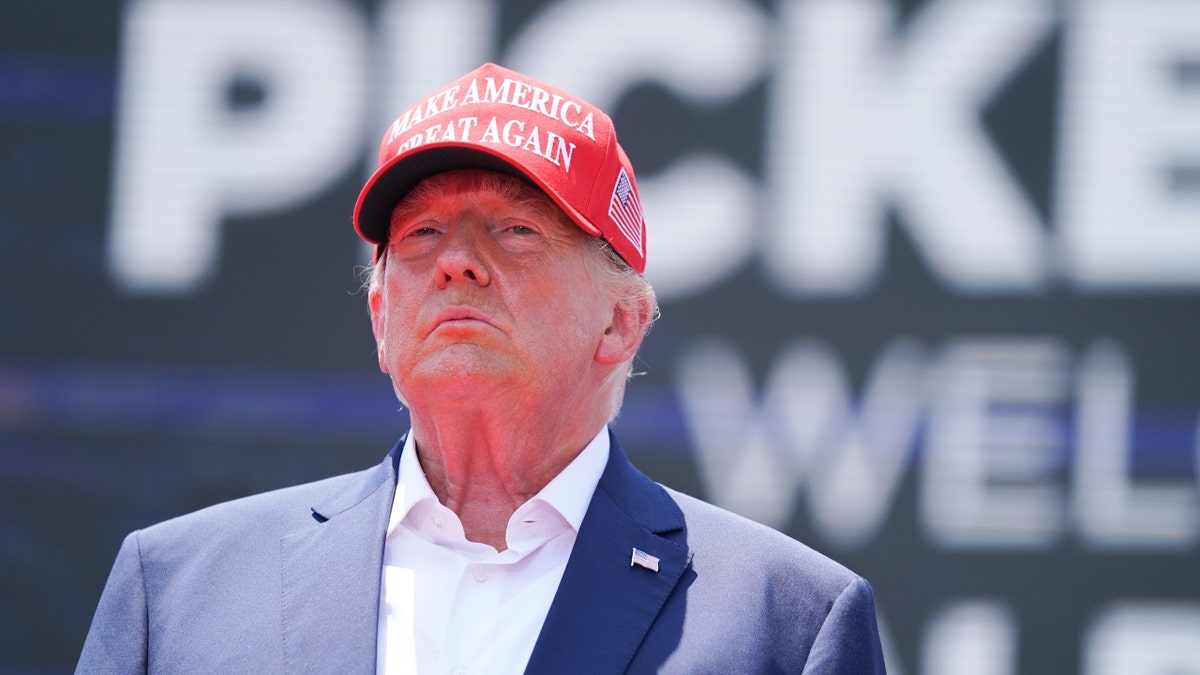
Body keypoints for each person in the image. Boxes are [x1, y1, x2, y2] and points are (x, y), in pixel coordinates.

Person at [77, 62, 886, 674]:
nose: (457, 262)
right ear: (382, 318)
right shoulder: (179, 591)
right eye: (422, 233)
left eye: (515, 229)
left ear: (621, 320)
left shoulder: (786, 621)